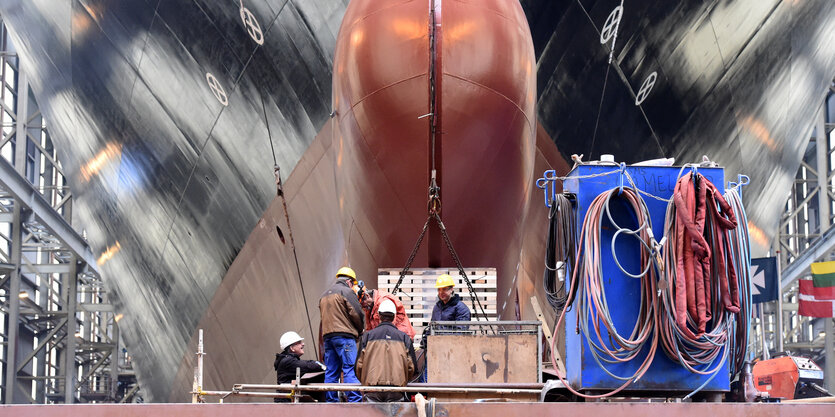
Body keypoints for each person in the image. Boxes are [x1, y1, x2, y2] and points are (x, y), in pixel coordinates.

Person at [355, 299, 417, 402]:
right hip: (396, 390)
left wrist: (366, 381)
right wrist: (402, 380)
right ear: (394, 316)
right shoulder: (404, 338)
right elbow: (411, 368)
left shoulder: (367, 336)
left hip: (372, 389)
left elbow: (358, 366)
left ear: (379, 316)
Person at [319, 266, 364, 402]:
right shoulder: (347, 292)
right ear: (349, 281)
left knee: (331, 371)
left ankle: (331, 401)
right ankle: (354, 401)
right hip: (345, 337)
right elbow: (357, 313)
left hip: (328, 338)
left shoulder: (324, 295)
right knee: (350, 368)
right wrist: (360, 329)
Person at [273, 331, 326, 403]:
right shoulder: (288, 361)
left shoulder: (287, 360)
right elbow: (310, 366)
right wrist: (322, 366)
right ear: (292, 348)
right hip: (286, 402)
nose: (303, 344)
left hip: (287, 400)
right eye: (299, 342)